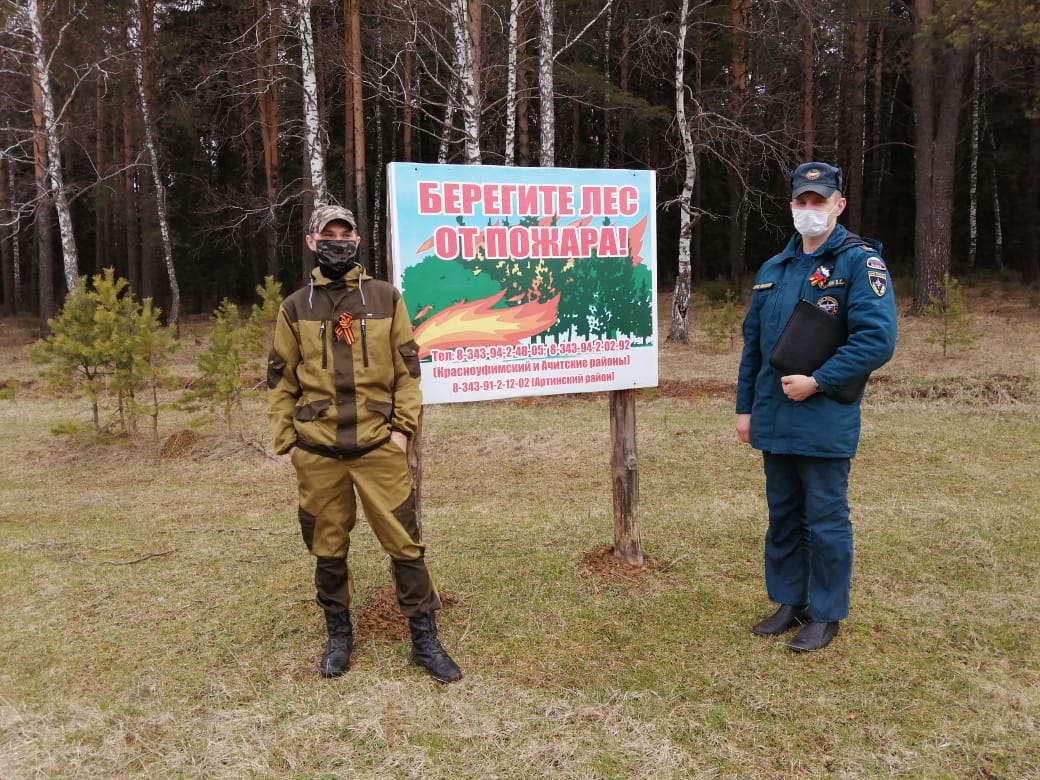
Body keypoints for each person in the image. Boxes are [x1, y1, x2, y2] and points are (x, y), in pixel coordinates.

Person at [267, 204, 462, 682]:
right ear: (313, 242)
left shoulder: (384, 298)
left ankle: (424, 638)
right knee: (327, 546)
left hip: (378, 448)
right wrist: (288, 443)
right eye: (328, 234)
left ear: (356, 241)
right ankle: (339, 637)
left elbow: (407, 372)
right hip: (319, 452)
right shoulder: (295, 306)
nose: (338, 241)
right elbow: (280, 379)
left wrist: (402, 432)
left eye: (345, 234)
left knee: (405, 543)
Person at [735, 162, 897, 652]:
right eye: (802, 201)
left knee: (825, 517)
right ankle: (791, 601)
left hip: (823, 413)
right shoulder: (775, 268)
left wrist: (819, 382)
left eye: (819, 201)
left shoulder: (858, 263)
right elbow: (753, 346)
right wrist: (745, 409)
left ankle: (826, 614)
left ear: (838, 204)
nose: (810, 210)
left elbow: (877, 340)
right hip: (773, 413)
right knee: (783, 513)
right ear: (791, 206)